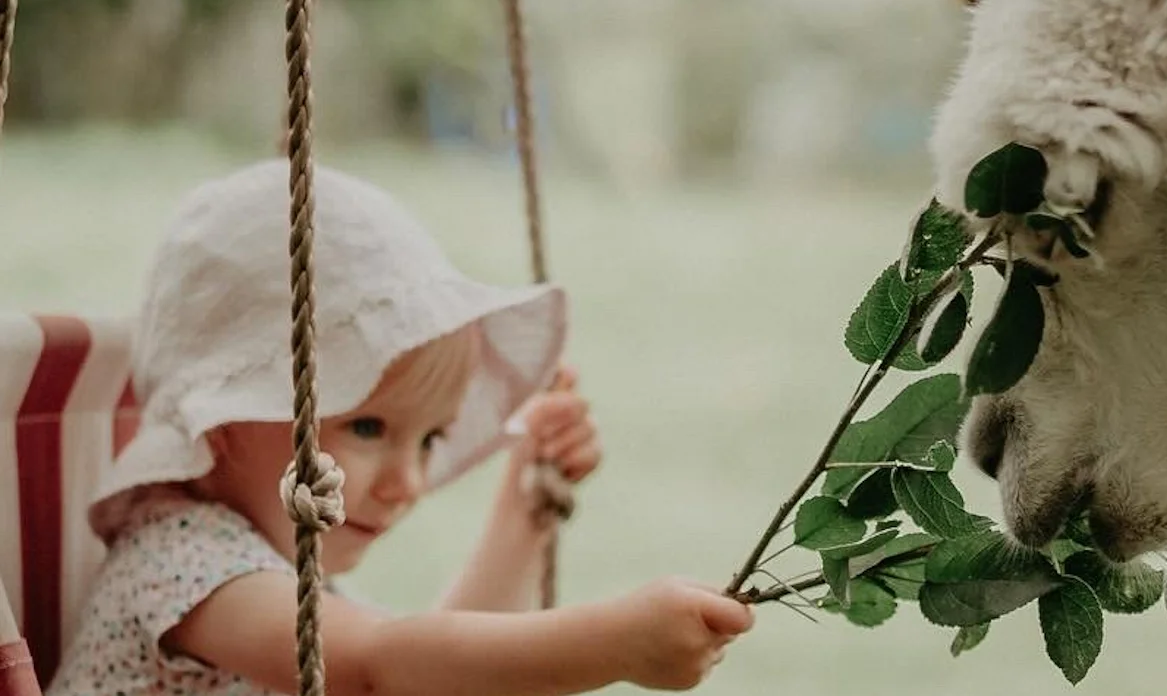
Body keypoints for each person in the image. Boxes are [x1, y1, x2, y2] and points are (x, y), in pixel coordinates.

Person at [48, 161, 753, 695]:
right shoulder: (183, 559)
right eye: (369, 426)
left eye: (432, 439)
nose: (411, 481)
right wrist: (615, 646)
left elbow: (435, 670)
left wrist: (524, 513)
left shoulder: (280, 574)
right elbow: (383, 669)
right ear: (225, 418)